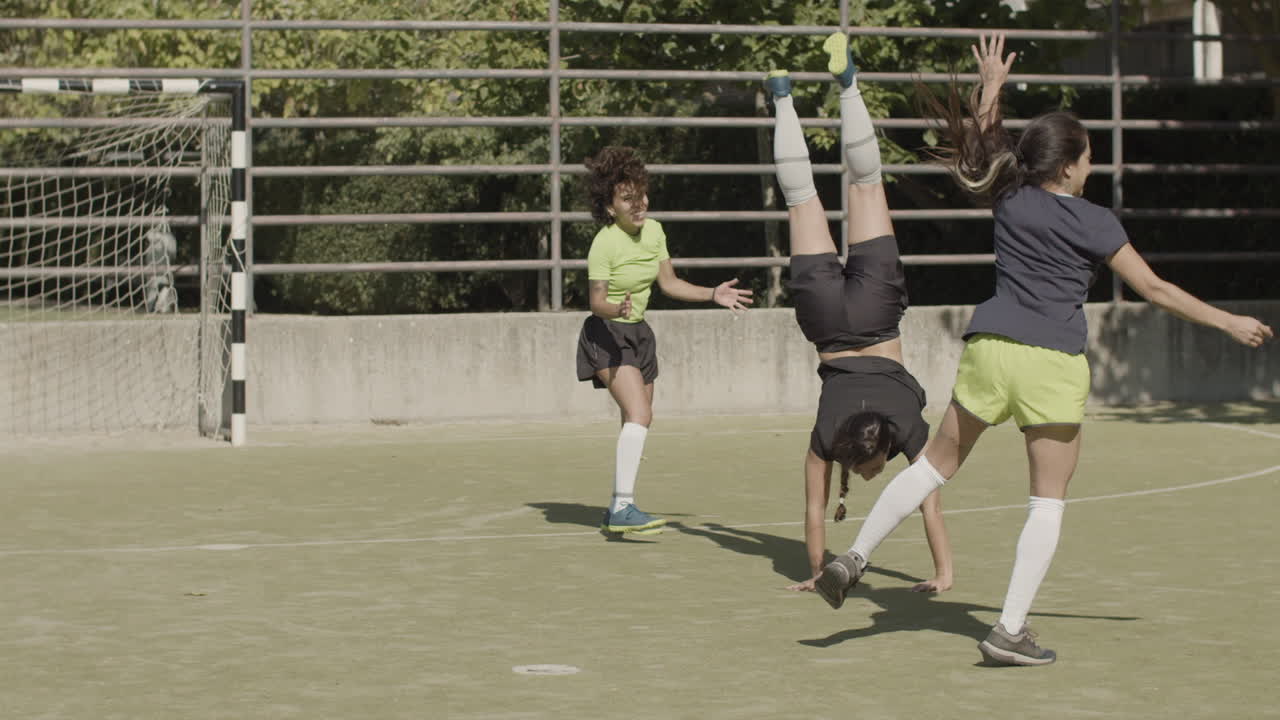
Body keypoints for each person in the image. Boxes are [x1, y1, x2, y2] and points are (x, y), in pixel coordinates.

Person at [813, 33, 1274, 666]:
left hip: (990, 348)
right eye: (1087, 158)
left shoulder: (1012, 198)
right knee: (1047, 500)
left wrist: (992, 86)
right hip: (1051, 362)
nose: (1091, 166)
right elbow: (1154, 288)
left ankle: (855, 556)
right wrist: (1228, 322)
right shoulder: (1096, 222)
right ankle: (1007, 631)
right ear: (1067, 166)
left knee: (932, 466)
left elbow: (982, 143)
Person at [765, 32, 954, 594]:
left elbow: (931, 507)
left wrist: (947, 572)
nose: (874, 476)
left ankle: (847, 84)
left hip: (875, 313)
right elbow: (817, 510)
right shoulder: (826, 437)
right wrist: (820, 569)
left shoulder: (910, 430)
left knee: (867, 187)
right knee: (803, 201)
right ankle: (781, 97)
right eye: (875, 473)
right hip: (826, 323)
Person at [577, 145, 754, 536]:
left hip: (640, 334)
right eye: (627, 198)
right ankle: (623, 506)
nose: (638, 203)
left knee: (635, 420)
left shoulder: (655, 231)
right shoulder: (603, 244)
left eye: (641, 193)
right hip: (606, 333)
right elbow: (596, 302)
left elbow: (670, 283)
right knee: (641, 414)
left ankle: (616, 506)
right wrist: (615, 310)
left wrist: (713, 294)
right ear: (610, 207)